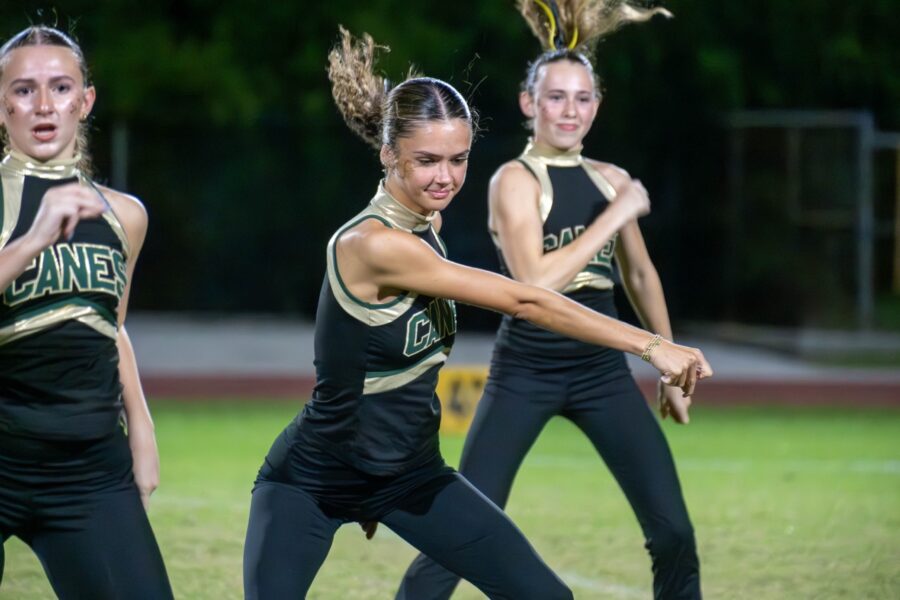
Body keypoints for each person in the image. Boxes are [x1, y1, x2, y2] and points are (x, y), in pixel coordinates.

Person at [243, 25, 710, 600]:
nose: (446, 177)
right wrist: (651, 345)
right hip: (313, 477)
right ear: (388, 153)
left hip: (410, 474)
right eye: (427, 161)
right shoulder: (373, 244)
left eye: (458, 159)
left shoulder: (428, 224)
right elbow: (527, 296)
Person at [397, 1, 704, 599]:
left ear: (597, 105)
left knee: (673, 532)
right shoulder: (513, 180)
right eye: (556, 96)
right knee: (463, 531)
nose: (570, 109)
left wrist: (667, 365)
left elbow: (639, 276)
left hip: (601, 371)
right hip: (526, 369)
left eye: (582, 97)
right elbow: (532, 287)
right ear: (528, 103)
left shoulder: (610, 178)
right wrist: (615, 215)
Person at [0, 26, 173, 599]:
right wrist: (32, 240)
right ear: (1, 103)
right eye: (25, 90)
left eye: (61, 87)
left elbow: (111, 327)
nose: (45, 106)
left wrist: (141, 429)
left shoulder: (124, 216)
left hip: (87, 468)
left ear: (86, 100)